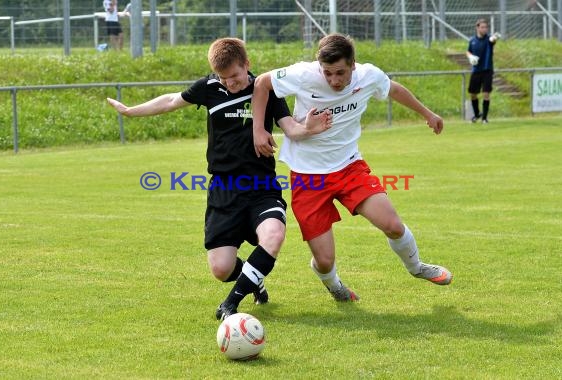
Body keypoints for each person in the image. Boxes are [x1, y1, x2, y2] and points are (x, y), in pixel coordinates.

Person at [106, 38, 331, 320]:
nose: (230, 84)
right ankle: (254, 280)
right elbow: (171, 101)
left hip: (261, 187)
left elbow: (291, 129)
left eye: (235, 76)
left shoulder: (266, 90)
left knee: (273, 236)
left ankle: (230, 304)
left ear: (246, 65)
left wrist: (308, 128)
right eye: (224, 78)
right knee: (221, 269)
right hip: (223, 190)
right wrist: (130, 111)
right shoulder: (209, 88)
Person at [252, 33, 452, 303]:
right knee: (324, 261)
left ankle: (417, 267)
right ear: (318, 66)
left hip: (349, 168)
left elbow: (393, 89)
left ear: (353, 65)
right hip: (307, 176)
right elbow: (262, 83)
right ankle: (335, 285)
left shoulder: (368, 76)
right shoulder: (302, 74)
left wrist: (428, 114)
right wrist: (258, 131)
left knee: (392, 224)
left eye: (340, 73)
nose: (334, 80)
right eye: (328, 73)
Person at [466, 18, 501, 124]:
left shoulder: (488, 39)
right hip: (476, 70)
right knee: (473, 94)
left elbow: (493, 40)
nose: (485, 29)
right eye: (482, 27)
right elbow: (468, 51)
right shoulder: (472, 41)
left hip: (487, 70)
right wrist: (471, 57)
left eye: (486, 27)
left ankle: (484, 118)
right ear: (477, 27)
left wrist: (495, 38)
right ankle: (477, 114)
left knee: (486, 93)